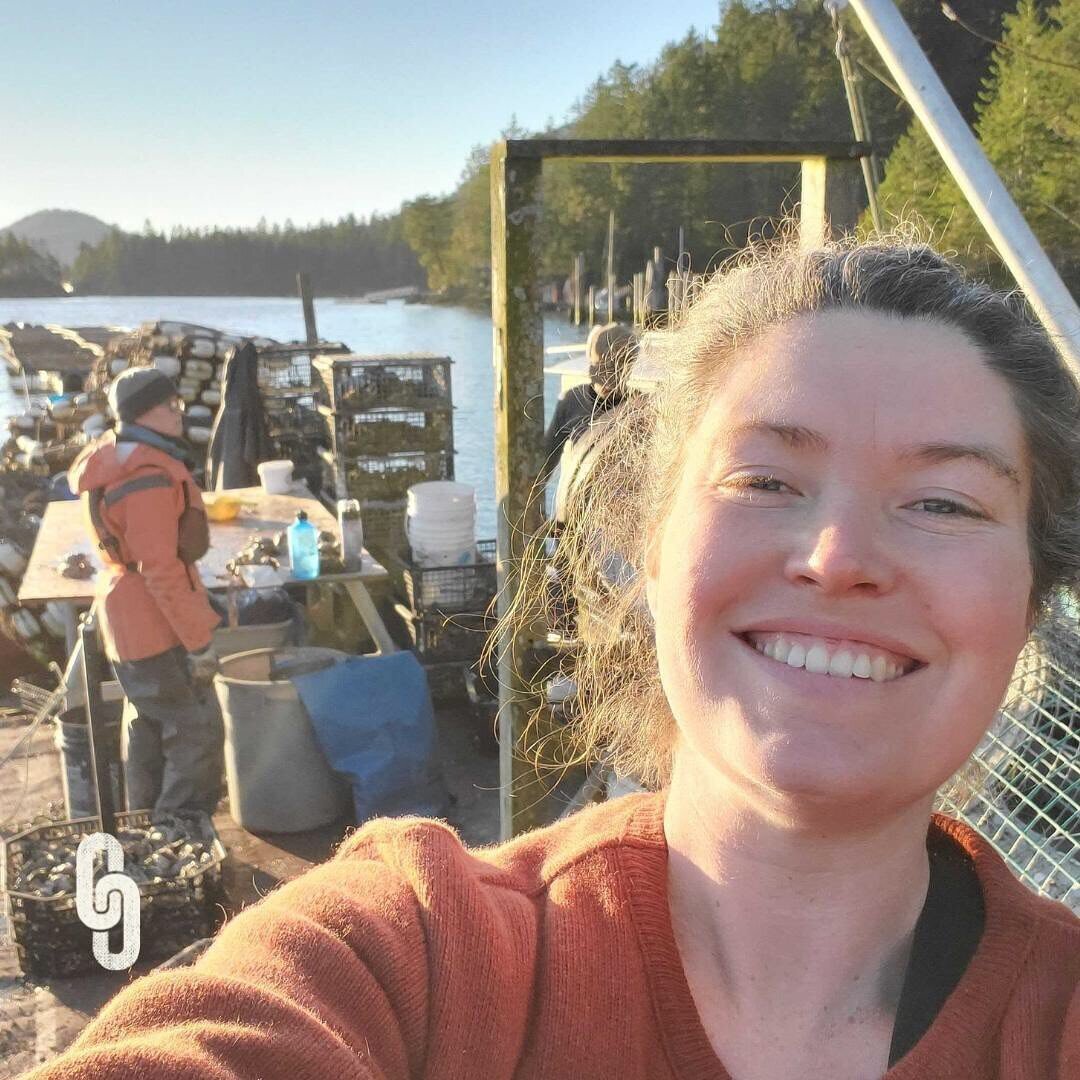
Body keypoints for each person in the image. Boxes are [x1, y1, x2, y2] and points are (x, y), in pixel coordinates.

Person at [25, 239, 1080, 1079]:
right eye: (765, 481)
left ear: (1032, 604)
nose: (840, 557)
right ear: (649, 554)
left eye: (946, 503)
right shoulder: (418, 963)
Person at [67, 367, 223, 817]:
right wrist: (198, 643)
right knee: (196, 733)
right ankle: (180, 832)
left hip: (127, 618)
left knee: (150, 724)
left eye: (178, 403)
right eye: (168, 406)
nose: (179, 413)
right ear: (139, 414)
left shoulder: (118, 458)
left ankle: (144, 824)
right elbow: (159, 569)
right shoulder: (146, 477)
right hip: (154, 626)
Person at [542, 320, 638, 481]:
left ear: (629, 368)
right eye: (600, 367)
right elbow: (543, 467)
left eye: (616, 368)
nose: (606, 379)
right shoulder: (572, 401)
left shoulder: (640, 409)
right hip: (577, 499)